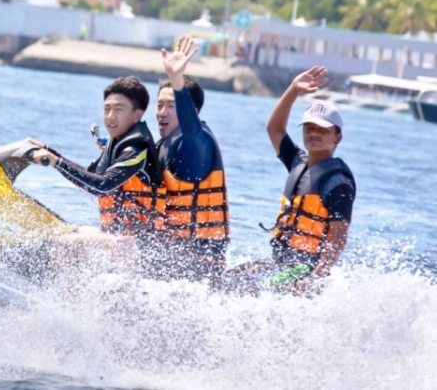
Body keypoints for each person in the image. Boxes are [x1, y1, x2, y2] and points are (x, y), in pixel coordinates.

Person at [225, 66, 356, 295]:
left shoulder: (338, 182)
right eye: (309, 128)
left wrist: (316, 276)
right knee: (228, 277)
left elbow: (338, 236)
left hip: (305, 268)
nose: (314, 133)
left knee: (250, 288)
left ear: (338, 137)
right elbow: (274, 129)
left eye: (322, 130)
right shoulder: (298, 163)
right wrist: (294, 89)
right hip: (281, 263)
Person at [26, 76, 162, 279]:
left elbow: (101, 186)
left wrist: (56, 161)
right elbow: (88, 178)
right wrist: (50, 152)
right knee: (66, 232)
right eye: (107, 109)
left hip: (139, 247)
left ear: (137, 114)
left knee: (64, 244)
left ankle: (71, 299)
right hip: (120, 241)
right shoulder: (118, 142)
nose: (110, 116)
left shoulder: (137, 148)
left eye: (119, 109)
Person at [137, 36, 230, 282]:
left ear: (192, 112)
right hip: (169, 256)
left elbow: (192, 128)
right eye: (159, 105)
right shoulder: (163, 146)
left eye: (171, 106)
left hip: (197, 265)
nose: (162, 112)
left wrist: (177, 80)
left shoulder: (197, 144)